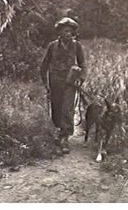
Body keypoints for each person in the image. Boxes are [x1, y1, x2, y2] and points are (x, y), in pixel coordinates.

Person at [40, 17, 86, 154]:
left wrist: (81, 78)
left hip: (70, 82)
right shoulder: (52, 46)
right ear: (59, 32)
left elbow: (82, 64)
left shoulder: (77, 46)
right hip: (55, 81)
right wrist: (45, 84)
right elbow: (44, 65)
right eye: (65, 31)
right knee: (56, 107)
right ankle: (58, 133)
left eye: (71, 31)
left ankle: (65, 138)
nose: (68, 34)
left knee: (67, 108)